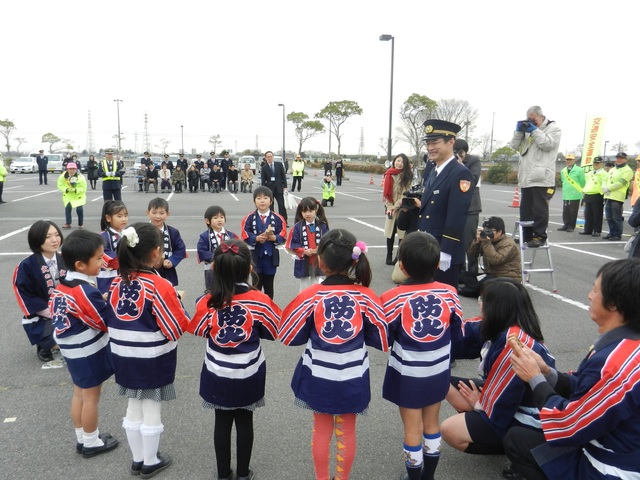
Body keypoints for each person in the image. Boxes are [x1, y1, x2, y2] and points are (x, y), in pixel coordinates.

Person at [504, 258, 640, 480]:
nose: (589, 295)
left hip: (613, 467)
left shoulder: (616, 363)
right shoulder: (626, 343)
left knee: (518, 439)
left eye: (595, 290)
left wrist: (534, 378)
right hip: (618, 444)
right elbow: (590, 393)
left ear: (614, 303)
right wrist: (548, 373)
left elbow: (568, 424)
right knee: (524, 436)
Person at [279, 229, 389, 480]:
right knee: (347, 429)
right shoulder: (367, 296)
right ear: (354, 261)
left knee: (322, 429)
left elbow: (288, 335)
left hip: (319, 372)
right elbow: (382, 338)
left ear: (320, 261)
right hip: (353, 373)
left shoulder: (309, 296)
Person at [440, 280, 555, 477]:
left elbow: (504, 401)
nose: (479, 303)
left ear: (497, 307)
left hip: (530, 416)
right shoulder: (502, 326)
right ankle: (491, 430)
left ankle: (518, 450)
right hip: (507, 399)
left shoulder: (514, 341)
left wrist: (479, 404)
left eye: (483, 299)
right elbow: (461, 336)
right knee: (441, 381)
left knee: (449, 429)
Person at [188, 239, 281, 480]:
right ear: (250, 268)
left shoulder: (207, 301)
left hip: (217, 370)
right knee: (244, 420)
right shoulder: (260, 300)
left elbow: (198, 329)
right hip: (249, 370)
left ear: (215, 269)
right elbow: (274, 330)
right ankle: (242, 473)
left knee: (221, 420)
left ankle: (222, 473)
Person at [106, 223, 190, 479]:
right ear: (155, 252)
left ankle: (137, 459)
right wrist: (180, 304)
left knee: (133, 403)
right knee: (152, 406)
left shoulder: (116, 282)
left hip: (122, 353)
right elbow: (175, 326)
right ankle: (150, 460)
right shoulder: (159, 284)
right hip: (151, 356)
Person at [381, 232, 462, 480]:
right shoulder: (449, 292)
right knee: (431, 424)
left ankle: (414, 477)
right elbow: (457, 332)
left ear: (402, 266)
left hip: (408, 372)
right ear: (437, 265)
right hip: (438, 369)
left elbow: (385, 338)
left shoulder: (392, 297)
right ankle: (429, 476)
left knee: (412, 429)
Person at [50, 230, 119, 458]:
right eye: (98, 259)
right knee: (91, 396)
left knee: (79, 393)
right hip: (86, 351)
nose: (102, 262)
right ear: (80, 264)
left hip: (71, 349)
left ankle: (83, 436)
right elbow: (102, 321)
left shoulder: (64, 285)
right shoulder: (84, 290)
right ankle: (91, 441)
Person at [415, 119, 473, 290]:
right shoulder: (435, 170)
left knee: (442, 305)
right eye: (428, 143)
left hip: (443, 251)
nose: (430, 147)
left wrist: (446, 251)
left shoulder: (460, 173)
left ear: (451, 142)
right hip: (427, 249)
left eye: (435, 142)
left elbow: (457, 215)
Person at [13, 220, 66, 362]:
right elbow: (25, 293)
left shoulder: (66, 259)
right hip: (43, 314)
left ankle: (55, 341)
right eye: (48, 237)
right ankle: (45, 344)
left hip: (67, 308)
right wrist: (50, 311)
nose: (54, 240)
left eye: (56, 235)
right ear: (37, 239)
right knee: (57, 338)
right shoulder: (26, 266)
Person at [510, 106, 562, 248]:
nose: (531, 122)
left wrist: (534, 130)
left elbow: (548, 144)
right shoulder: (527, 131)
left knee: (539, 209)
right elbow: (514, 145)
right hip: (527, 176)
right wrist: (519, 131)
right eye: (529, 119)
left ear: (541, 116)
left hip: (542, 177)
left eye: (534, 120)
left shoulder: (553, 128)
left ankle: (539, 236)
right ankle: (526, 236)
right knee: (525, 209)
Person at [240, 186, 287, 299]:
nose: (262, 201)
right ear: (254, 201)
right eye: (259, 198)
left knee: (269, 286)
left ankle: (269, 309)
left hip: (270, 257)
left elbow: (283, 233)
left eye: (265, 198)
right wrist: (255, 239)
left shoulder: (278, 218)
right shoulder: (249, 218)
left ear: (271, 201)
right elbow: (245, 233)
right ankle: (255, 308)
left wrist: (274, 238)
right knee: (256, 285)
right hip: (255, 256)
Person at [459, 217, 521, 298]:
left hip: (507, 278)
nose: (487, 233)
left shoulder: (508, 244)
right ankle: (476, 287)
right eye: (485, 230)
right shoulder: (488, 240)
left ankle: (466, 290)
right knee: (465, 275)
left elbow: (495, 260)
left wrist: (487, 243)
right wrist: (477, 242)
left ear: (500, 232)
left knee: (485, 282)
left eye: (490, 230)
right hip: (491, 275)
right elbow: (472, 254)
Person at [285, 197, 330, 291]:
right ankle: (304, 304)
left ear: (316, 210)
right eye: (305, 211)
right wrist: (304, 251)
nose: (308, 214)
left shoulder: (323, 226)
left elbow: (327, 242)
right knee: (304, 285)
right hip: (303, 259)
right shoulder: (297, 227)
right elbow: (292, 244)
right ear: (301, 212)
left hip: (317, 259)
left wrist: (320, 249)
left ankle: (315, 303)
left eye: (311, 210)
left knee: (316, 284)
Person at [454, 139, 483, 281]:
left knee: (469, 243)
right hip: (455, 207)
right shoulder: (450, 162)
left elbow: (472, 180)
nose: (459, 156)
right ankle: (458, 273)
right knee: (455, 241)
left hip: (471, 207)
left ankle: (472, 274)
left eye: (461, 153)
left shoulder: (474, 161)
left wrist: (460, 166)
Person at [196, 205, 238, 293]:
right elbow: (202, 251)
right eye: (215, 218)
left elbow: (237, 249)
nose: (219, 220)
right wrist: (217, 259)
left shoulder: (231, 235)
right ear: (207, 221)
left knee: (230, 290)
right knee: (213, 291)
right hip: (212, 268)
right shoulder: (204, 236)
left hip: (229, 267)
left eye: (222, 217)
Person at [146, 197, 186, 287]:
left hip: (167, 270)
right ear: (147, 213)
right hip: (148, 270)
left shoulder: (173, 232)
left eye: (161, 213)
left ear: (168, 214)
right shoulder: (143, 232)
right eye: (154, 213)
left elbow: (181, 250)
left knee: (168, 295)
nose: (157, 216)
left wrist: (171, 261)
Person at [383, 153, 413, 265]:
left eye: (402, 162)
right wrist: (390, 207)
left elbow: (405, 194)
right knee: (390, 233)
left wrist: (395, 207)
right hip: (390, 208)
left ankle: (398, 257)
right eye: (398, 161)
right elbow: (386, 193)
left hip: (402, 208)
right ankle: (388, 256)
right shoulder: (388, 174)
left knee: (401, 234)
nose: (399, 164)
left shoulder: (407, 176)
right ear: (394, 161)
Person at [97, 200, 129, 295]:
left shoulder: (128, 233)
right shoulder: (103, 236)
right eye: (119, 216)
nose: (124, 219)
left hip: (125, 275)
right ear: (108, 218)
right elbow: (106, 258)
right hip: (108, 279)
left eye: (125, 216)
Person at [603, 152, 634, 241]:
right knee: (609, 216)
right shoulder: (613, 169)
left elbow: (621, 183)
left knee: (616, 217)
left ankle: (617, 234)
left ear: (625, 159)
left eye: (621, 158)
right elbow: (605, 179)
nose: (619, 160)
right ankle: (611, 232)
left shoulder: (627, 170)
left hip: (617, 196)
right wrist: (604, 187)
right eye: (617, 158)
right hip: (608, 195)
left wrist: (608, 188)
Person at [580, 156, 608, 237]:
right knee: (588, 214)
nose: (596, 164)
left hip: (597, 195)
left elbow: (604, 185)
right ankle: (588, 229)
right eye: (595, 163)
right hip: (588, 194)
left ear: (601, 164)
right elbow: (586, 184)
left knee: (597, 214)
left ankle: (597, 230)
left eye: (598, 163)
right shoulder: (589, 173)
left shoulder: (604, 174)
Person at [557, 154, 585, 232]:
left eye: (570, 159)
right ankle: (566, 224)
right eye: (567, 159)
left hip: (575, 193)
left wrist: (580, 189)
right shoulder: (563, 171)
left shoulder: (579, 170)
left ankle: (571, 226)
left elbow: (582, 182)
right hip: (566, 193)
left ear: (574, 160)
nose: (568, 161)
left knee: (573, 211)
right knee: (566, 211)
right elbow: (563, 181)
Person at [260, 151, 288, 225]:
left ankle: (284, 221)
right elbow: (263, 179)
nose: (269, 158)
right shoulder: (264, 167)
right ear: (265, 158)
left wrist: (285, 186)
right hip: (269, 189)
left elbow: (283, 177)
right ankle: (272, 221)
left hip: (279, 188)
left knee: (281, 205)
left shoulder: (279, 165)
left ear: (273, 157)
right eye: (268, 157)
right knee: (270, 206)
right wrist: (263, 190)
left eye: (271, 156)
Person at [57, 162, 87, 229]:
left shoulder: (81, 177)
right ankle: (68, 223)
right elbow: (60, 186)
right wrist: (66, 189)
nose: (71, 170)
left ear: (76, 169)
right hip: (68, 196)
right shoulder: (63, 177)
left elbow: (84, 188)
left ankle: (80, 224)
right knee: (68, 208)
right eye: (70, 169)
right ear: (67, 169)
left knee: (79, 210)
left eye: (73, 169)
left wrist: (76, 190)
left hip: (78, 196)